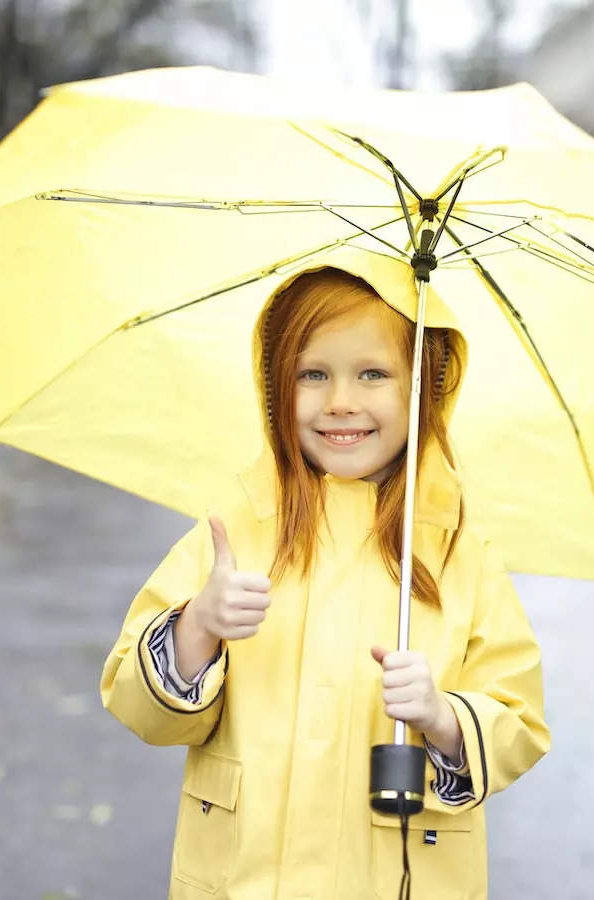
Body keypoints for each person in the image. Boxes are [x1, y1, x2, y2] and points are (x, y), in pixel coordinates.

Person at [101, 251, 550, 899]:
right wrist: (198, 625)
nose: (341, 402)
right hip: (242, 878)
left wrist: (443, 718)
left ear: (422, 388)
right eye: (313, 374)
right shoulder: (237, 533)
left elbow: (519, 720)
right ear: (276, 388)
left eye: (373, 374)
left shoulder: (459, 556)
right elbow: (136, 703)